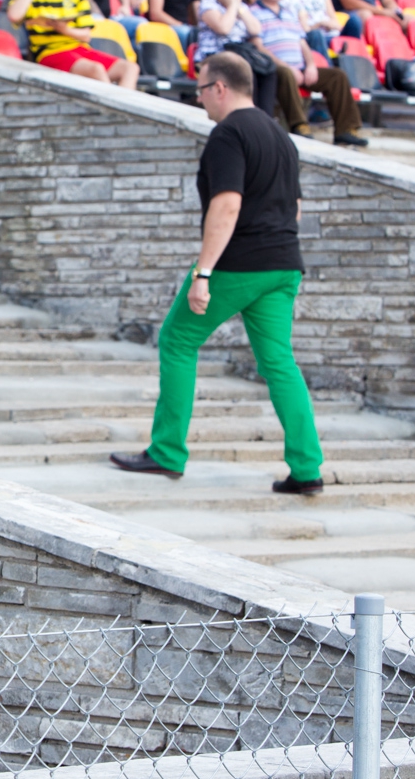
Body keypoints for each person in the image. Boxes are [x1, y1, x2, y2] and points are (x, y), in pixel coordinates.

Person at [110, 50, 322, 494]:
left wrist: (204, 272)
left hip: (238, 263)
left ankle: (166, 452)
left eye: (202, 89)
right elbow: (295, 207)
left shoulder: (229, 134)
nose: (201, 98)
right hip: (284, 264)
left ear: (220, 88)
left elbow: (227, 204)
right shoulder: (281, 135)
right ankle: (306, 470)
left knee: (177, 339)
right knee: (280, 363)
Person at [254, 0, 366, 146]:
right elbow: (258, 47)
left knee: (337, 76)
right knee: (285, 73)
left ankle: (346, 129)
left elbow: (303, 42)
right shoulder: (253, 13)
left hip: (300, 66)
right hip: (275, 67)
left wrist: (311, 65)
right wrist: (287, 66)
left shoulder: (290, 11)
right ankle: (300, 125)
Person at [8, 0, 139, 89]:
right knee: (95, 69)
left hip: (78, 48)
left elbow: (86, 35)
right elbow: (14, 15)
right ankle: (114, 108)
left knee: (131, 68)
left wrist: (64, 29)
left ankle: (120, 106)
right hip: (49, 52)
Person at [195, 0, 277, 111]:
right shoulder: (208, 5)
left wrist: (238, 6)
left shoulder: (241, 7)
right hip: (215, 55)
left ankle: (265, 116)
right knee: (247, 70)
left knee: (267, 68)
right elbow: (223, 28)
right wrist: (233, 5)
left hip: (240, 52)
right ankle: (250, 114)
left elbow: (256, 29)